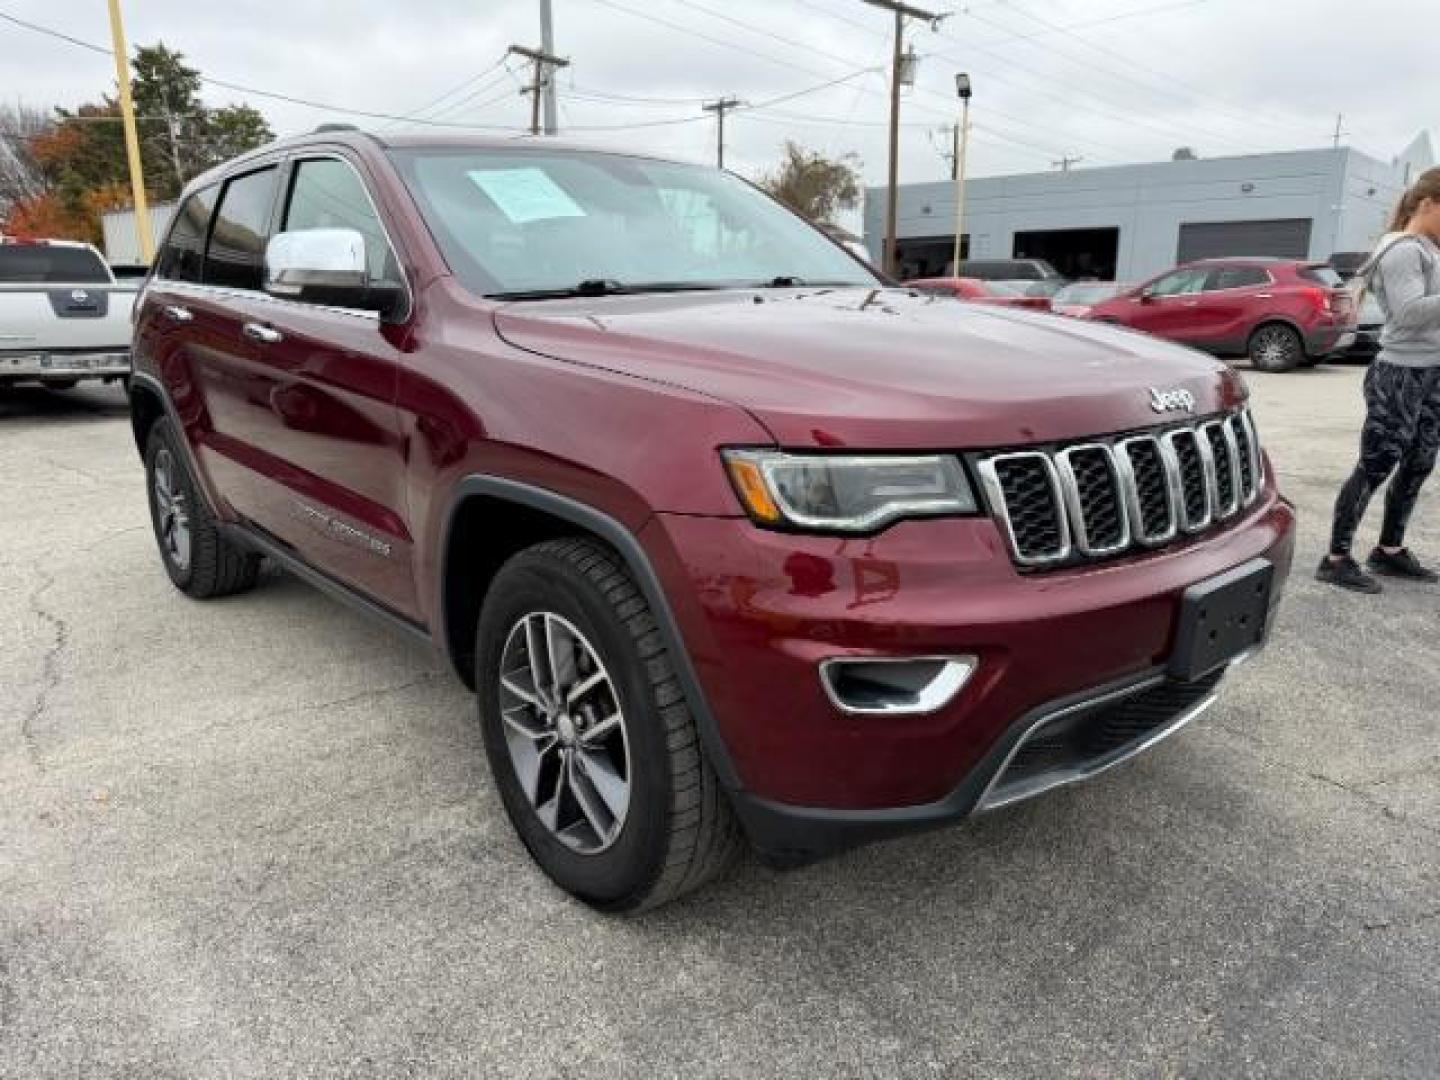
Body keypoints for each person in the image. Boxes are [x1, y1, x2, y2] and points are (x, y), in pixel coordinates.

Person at [1319, 167, 1440, 593]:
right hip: (1400, 373)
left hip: (1431, 371)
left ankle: (1388, 551)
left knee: (1419, 462)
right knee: (1377, 462)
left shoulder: (1431, 248)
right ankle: (1335, 558)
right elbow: (1408, 312)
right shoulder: (1403, 250)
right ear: (1427, 204)